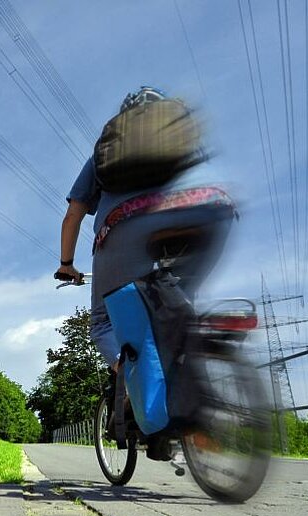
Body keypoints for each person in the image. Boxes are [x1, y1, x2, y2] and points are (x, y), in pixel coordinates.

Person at [57, 86, 237, 373]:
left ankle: (134, 382)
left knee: (102, 324)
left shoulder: (104, 154)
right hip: (210, 210)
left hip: (125, 229)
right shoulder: (179, 136)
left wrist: (66, 264)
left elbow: (72, 215)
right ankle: (199, 371)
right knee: (183, 308)